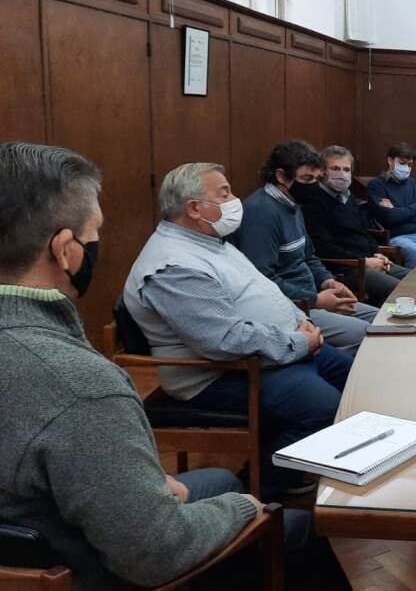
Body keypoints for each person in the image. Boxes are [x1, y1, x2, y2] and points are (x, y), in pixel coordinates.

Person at [0, 143, 347, 590]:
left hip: (50, 522)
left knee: (220, 478)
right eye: (95, 234)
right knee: (295, 532)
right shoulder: (82, 386)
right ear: (66, 251)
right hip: (95, 569)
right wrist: (247, 508)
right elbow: (154, 553)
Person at [125, 162, 353, 499]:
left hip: (271, 353)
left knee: (354, 377)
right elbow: (224, 340)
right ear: (194, 208)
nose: (236, 201)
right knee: (322, 406)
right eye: (225, 193)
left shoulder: (211, 241)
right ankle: (261, 490)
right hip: (217, 374)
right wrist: (297, 342)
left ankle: (315, 463)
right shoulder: (173, 266)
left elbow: (262, 290)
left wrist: (299, 323)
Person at [232, 140, 375, 355]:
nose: (313, 186)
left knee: (383, 319)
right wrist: (317, 300)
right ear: (281, 176)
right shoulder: (261, 214)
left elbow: (308, 257)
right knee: (373, 336)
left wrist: (328, 281)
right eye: (306, 179)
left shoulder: (294, 202)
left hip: (314, 295)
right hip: (292, 308)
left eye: (317, 179)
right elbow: (263, 280)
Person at [299, 145, 409, 307]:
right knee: (399, 291)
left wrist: (377, 253)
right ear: (322, 171)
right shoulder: (313, 201)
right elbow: (323, 247)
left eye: (346, 169)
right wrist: (364, 261)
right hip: (345, 268)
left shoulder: (348, 197)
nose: (342, 174)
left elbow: (362, 231)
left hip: (368, 261)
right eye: (335, 168)